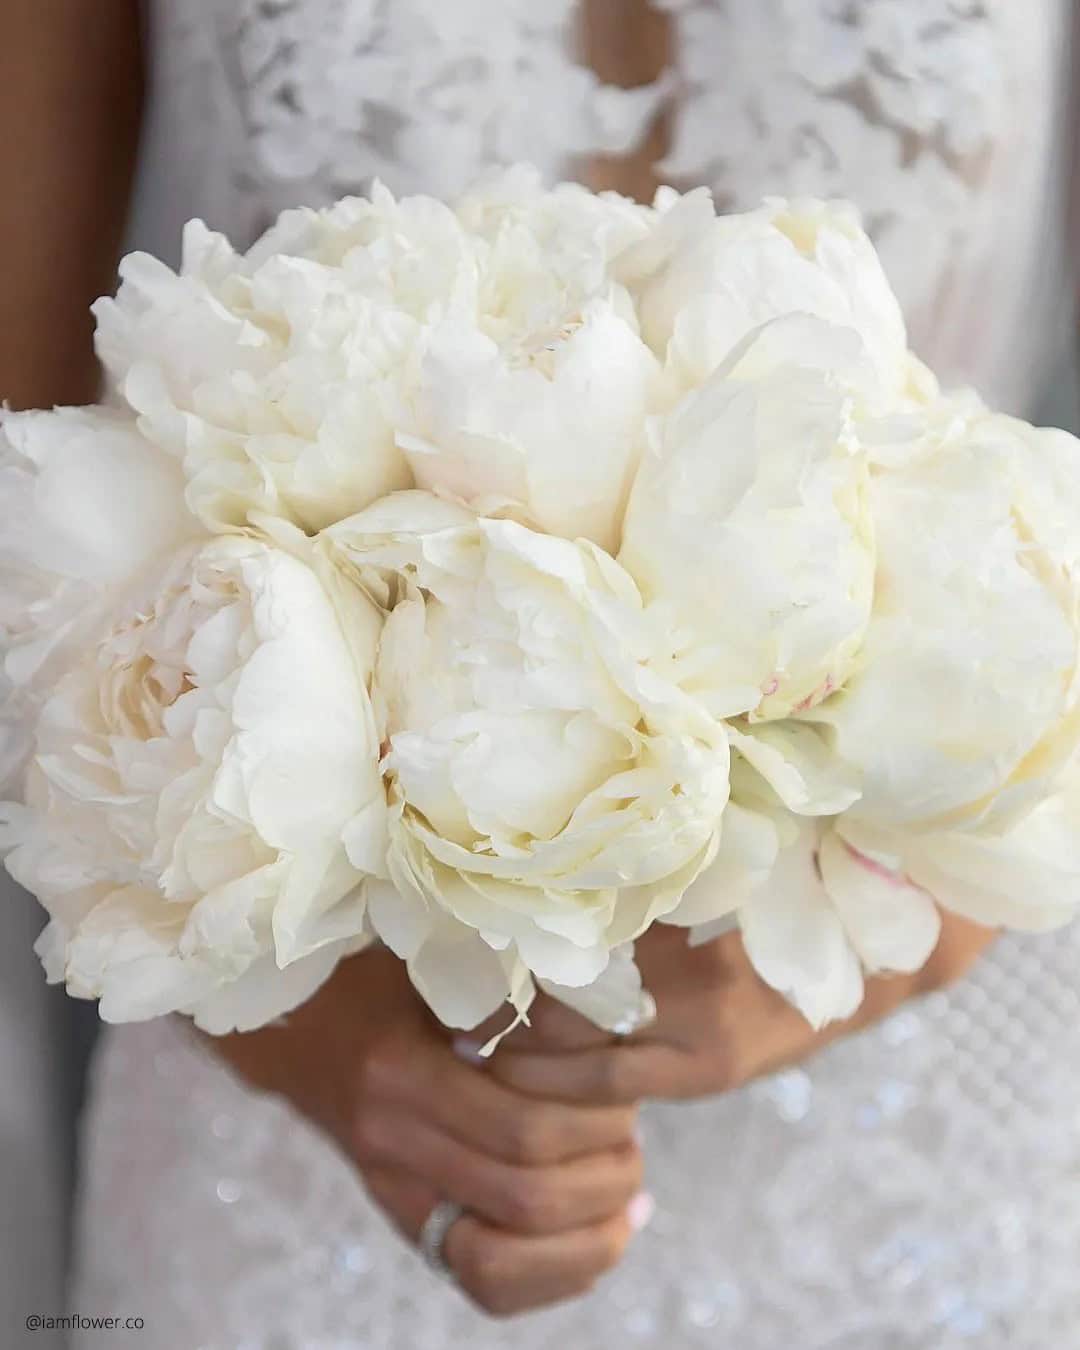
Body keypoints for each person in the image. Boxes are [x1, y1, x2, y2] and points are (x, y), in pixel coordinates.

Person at [3, 2, 1079, 1346]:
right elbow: (18, 476)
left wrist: (910, 935)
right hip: (301, 1050)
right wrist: (320, 1050)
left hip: (937, 1067)